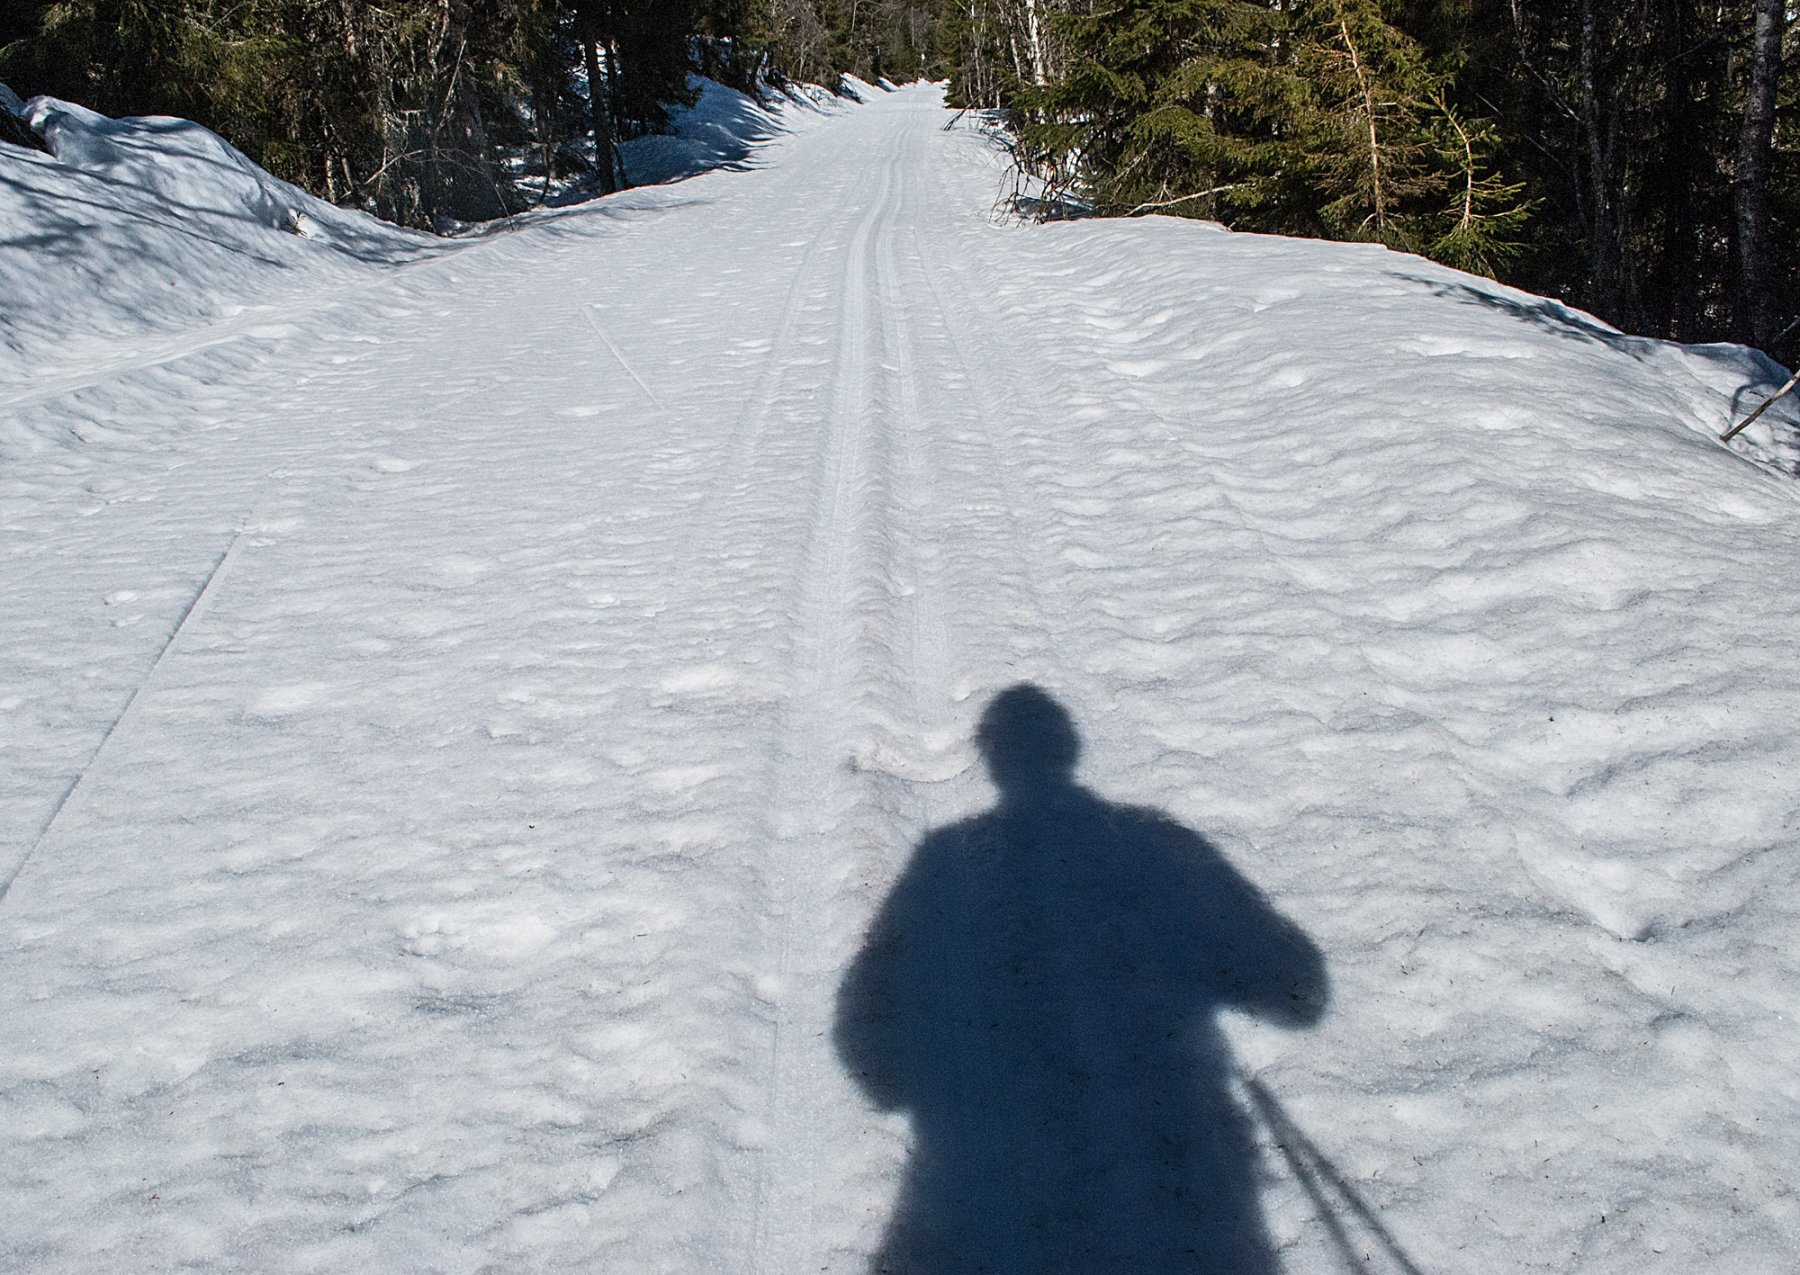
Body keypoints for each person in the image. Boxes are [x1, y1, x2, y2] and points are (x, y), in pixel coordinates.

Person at [835, 684, 1328, 1273]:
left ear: (991, 763)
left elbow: (871, 1050)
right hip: (1175, 1208)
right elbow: (1298, 990)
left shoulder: (945, 867)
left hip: (986, 1213)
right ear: (1070, 751)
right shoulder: (1157, 847)